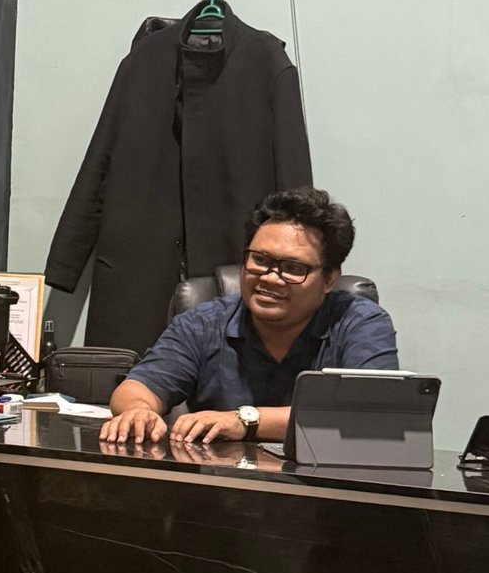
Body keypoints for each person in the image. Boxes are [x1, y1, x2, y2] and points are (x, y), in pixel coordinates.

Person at [100, 187, 399, 445]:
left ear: (330, 278)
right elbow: (137, 387)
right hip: (220, 484)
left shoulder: (360, 322)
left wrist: (245, 420)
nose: (270, 278)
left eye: (293, 268)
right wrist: (138, 411)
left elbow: (370, 412)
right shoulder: (204, 322)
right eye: (260, 260)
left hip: (321, 485)